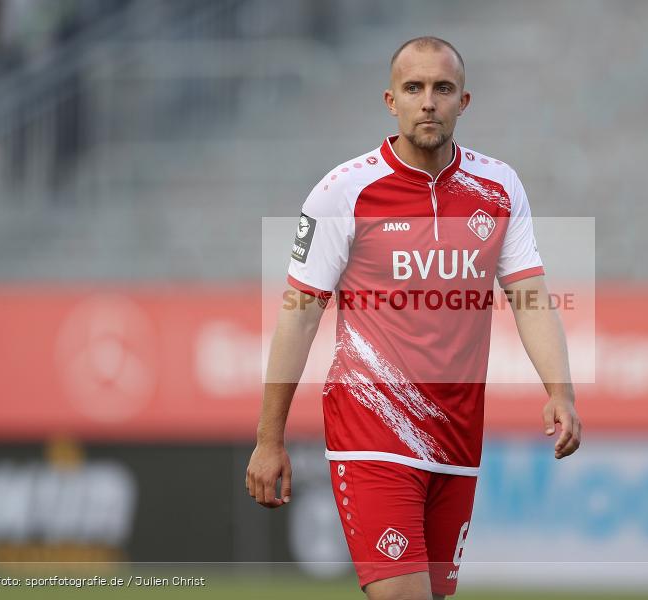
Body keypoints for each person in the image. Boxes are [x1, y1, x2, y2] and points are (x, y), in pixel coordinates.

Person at [247, 36, 580, 600]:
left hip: (456, 436)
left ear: (464, 102)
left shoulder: (498, 188)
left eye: (442, 89)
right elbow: (298, 318)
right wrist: (268, 437)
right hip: (370, 429)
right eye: (414, 88)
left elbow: (530, 297)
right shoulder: (345, 192)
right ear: (390, 100)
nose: (428, 101)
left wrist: (561, 391)